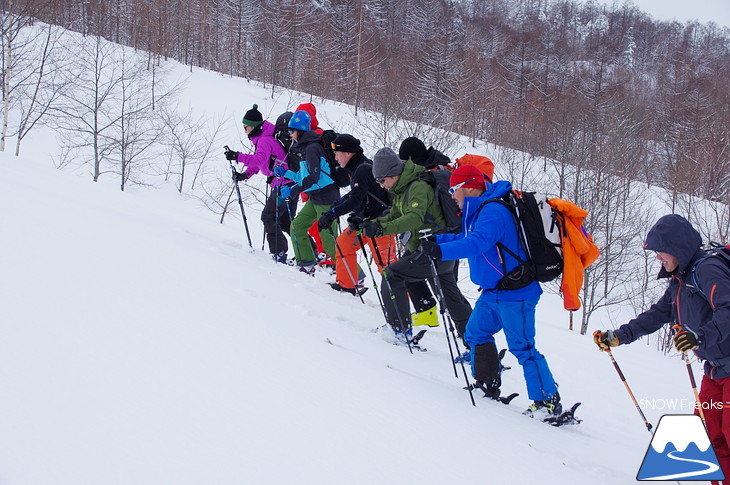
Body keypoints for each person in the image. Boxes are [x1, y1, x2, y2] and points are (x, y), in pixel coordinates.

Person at [594, 214, 730, 482]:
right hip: (715, 371)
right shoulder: (680, 279)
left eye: (660, 251)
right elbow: (658, 314)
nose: (658, 257)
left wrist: (699, 337)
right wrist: (620, 336)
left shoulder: (706, 270)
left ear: (678, 248)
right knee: (706, 436)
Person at [419, 163, 562, 416]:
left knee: (523, 347)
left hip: (516, 294)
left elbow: (477, 243)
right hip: (493, 293)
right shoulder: (478, 211)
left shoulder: (493, 210)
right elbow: (466, 238)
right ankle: (486, 383)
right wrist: (437, 240)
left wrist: (440, 251)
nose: (452, 196)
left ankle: (548, 403)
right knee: (475, 333)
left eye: (454, 189)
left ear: (469, 187)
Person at [359, 148, 471, 344]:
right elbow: (394, 216)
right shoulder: (403, 189)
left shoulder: (418, 187)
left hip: (434, 249)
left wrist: (380, 230)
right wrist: (371, 224)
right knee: (452, 299)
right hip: (432, 250)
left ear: (393, 174)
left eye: (381, 180)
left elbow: (413, 218)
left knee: (392, 275)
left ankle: (399, 331)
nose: (381, 185)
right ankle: (477, 346)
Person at [316, 134, 396, 295]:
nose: (336, 159)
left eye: (337, 154)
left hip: (380, 223)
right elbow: (356, 194)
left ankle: (401, 302)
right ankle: (347, 286)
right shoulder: (356, 167)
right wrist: (336, 206)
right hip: (364, 221)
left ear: (348, 153)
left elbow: (355, 200)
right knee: (343, 244)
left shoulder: (362, 169)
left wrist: (333, 214)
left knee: (386, 265)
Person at [225, 104, 297, 263]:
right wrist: (245, 175)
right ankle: (308, 255)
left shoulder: (265, 140)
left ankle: (279, 254)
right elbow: (261, 163)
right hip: (291, 184)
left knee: (268, 217)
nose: (245, 131)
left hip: (283, 185)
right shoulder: (264, 138)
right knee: (287, 222)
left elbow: (259, 159)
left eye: (246, 127)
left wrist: (237, 156)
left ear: (254, 126)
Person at [274, 110, 340, 274]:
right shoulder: (304, 148)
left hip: (326, 197)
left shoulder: (312, 148)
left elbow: (314, 177)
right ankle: (306, 263)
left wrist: (293, 190)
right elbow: (303, 176)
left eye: (291, 130)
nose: (290, 134)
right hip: (316, 197)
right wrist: (286, 174)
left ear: (300, 130)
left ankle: (353, 278)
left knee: (329, 241)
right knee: (297, 227)